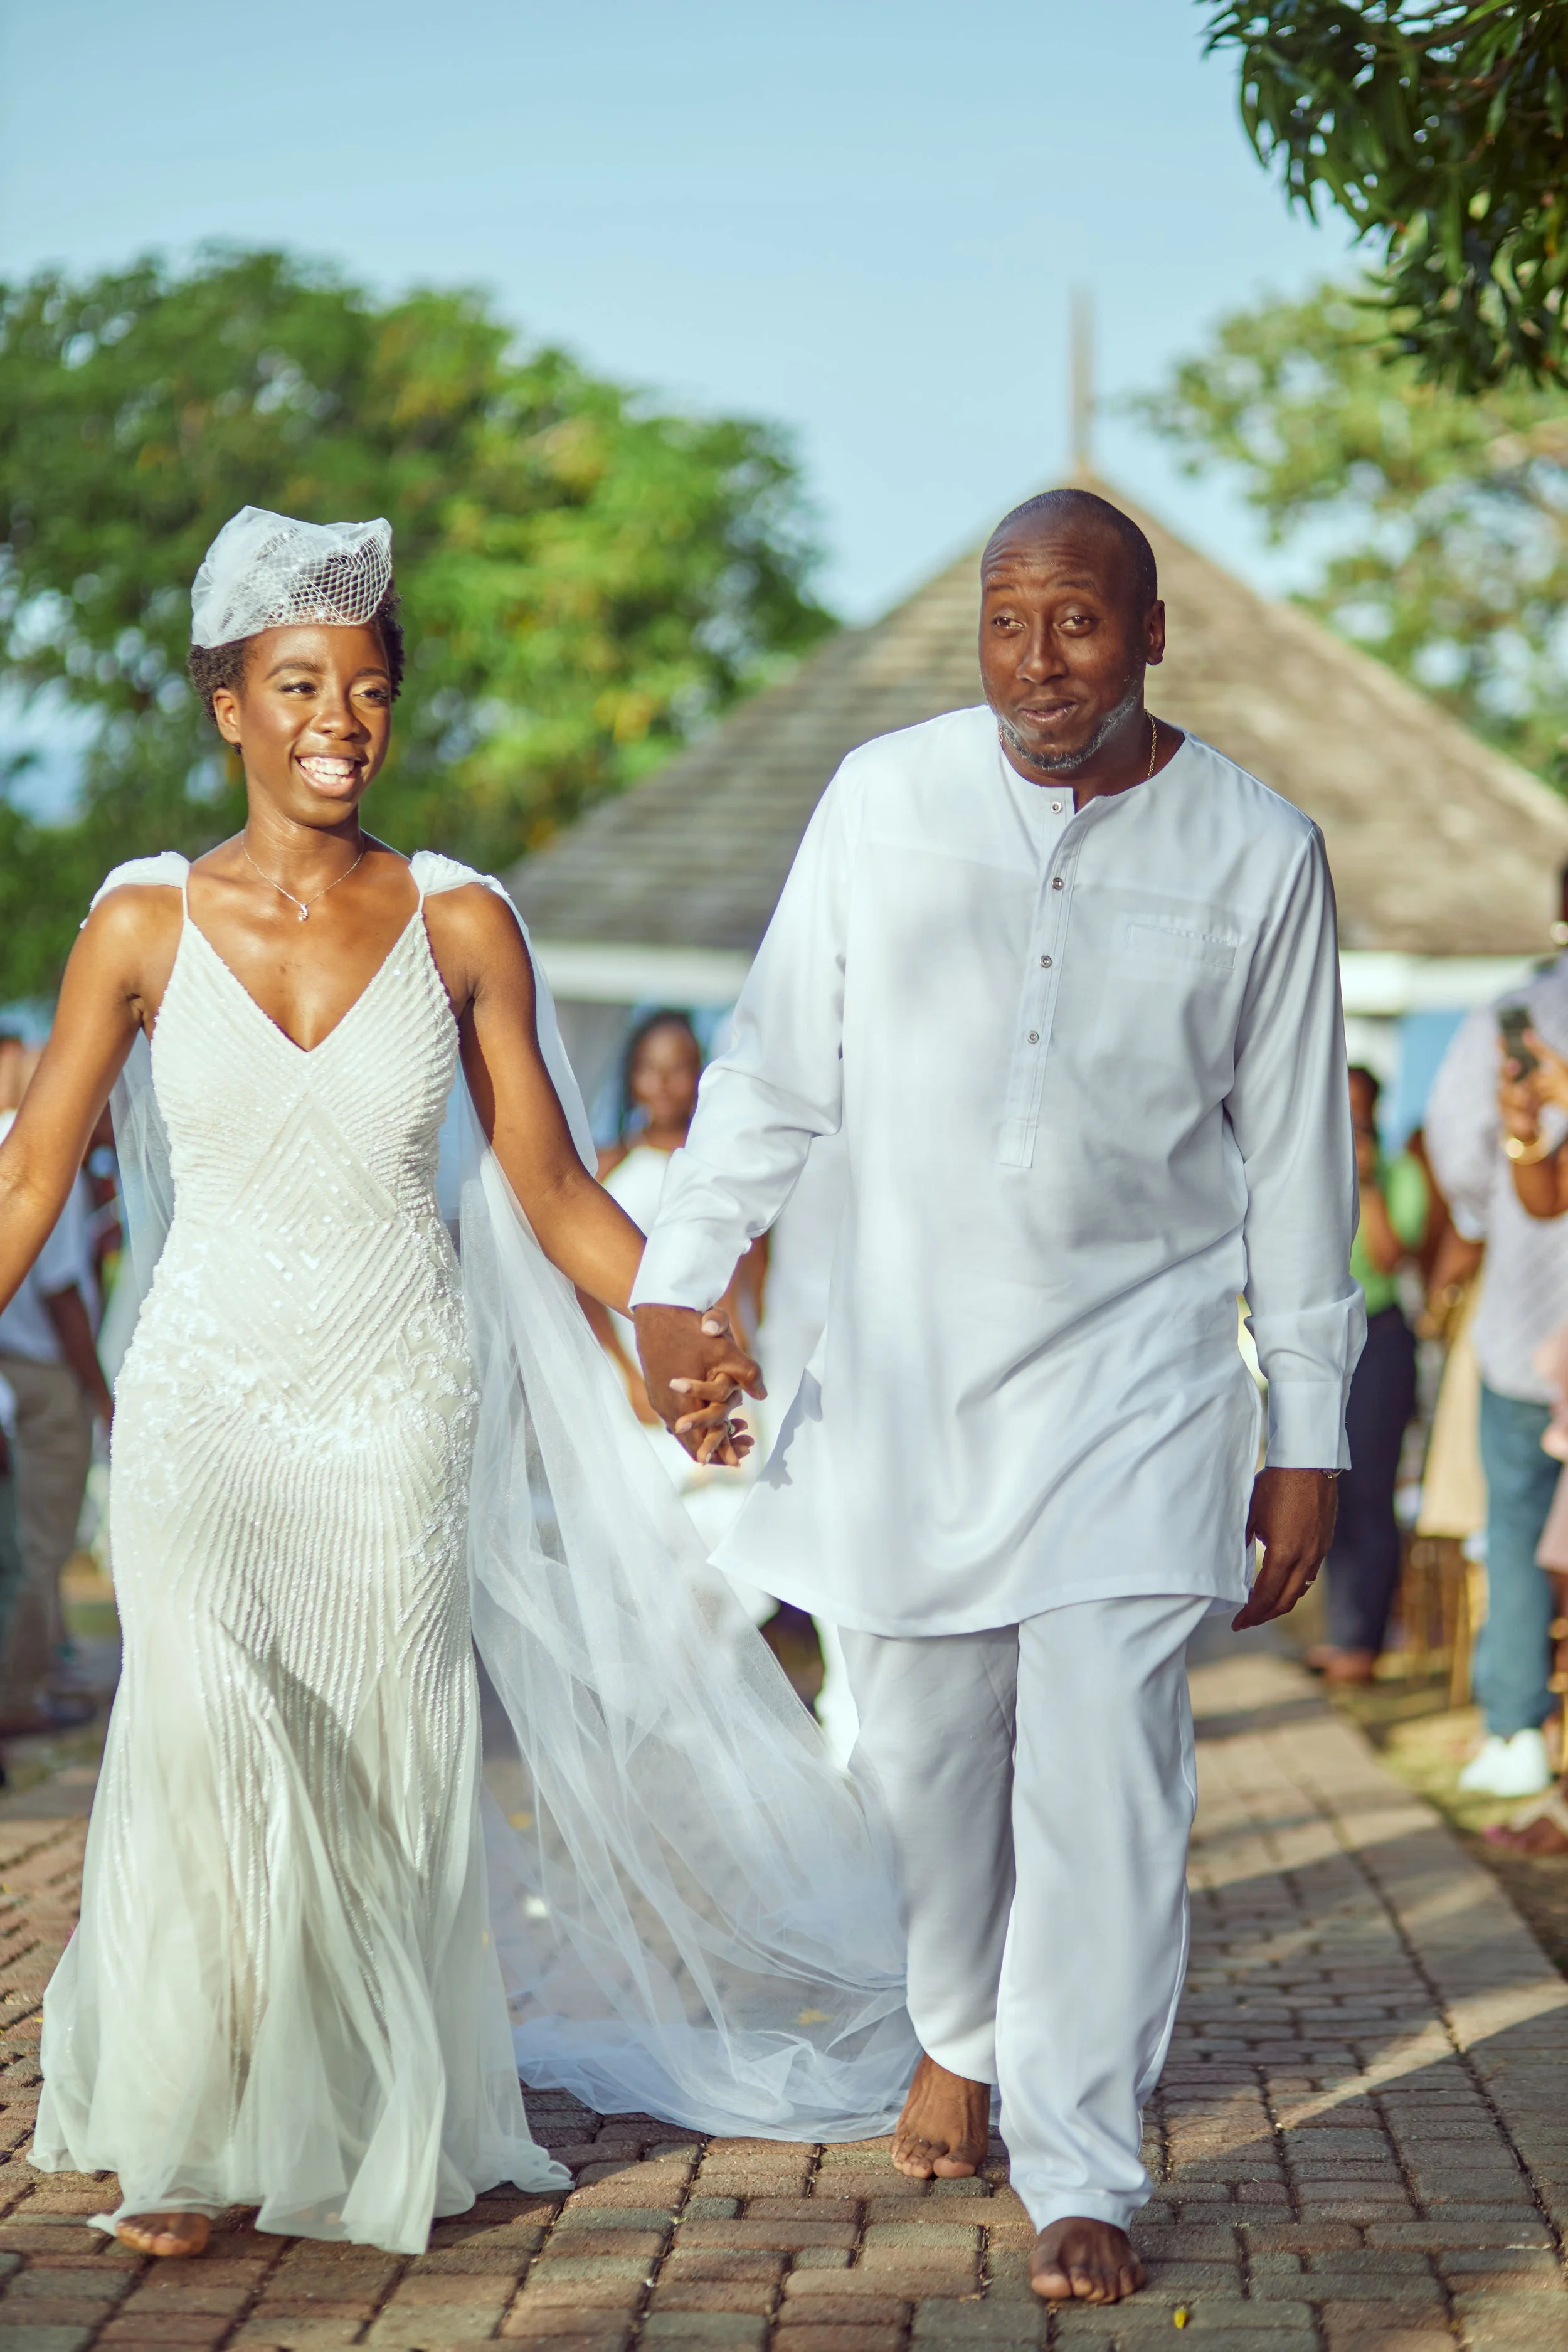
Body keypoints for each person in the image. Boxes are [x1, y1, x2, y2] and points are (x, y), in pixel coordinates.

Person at [0, 508, 914, 2264]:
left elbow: (556, 1190)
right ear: (228, 709)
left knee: (377, 1752)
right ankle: (192, 2132)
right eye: (296, 684)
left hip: (394, 1397)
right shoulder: (136, 921)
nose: (338, 715)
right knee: (202, 1741)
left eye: (365, 686)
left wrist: (672, 1327)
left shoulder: (461, 919)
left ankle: (367, 2108)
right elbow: (34, 1180)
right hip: (203, 1398)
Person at [632, 487, 1360, 2307]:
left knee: (1108, 1774)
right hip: (901, 1387)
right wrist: (673, 1275)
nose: (1040, 665)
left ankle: (1085, 2155)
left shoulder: (1260, 852)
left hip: (1140, 1383)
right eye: (1006, 624)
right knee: (928, 1768)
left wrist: (1310, 1427)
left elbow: (1292, 1169)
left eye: (1079, 624)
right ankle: (958, 2018)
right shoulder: (883, 801)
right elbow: (776, 1068)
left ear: (1153, 630)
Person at [1426, 893, 1568, 1800]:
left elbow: (1466, 1163)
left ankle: (1516, 1729)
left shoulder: (1512, 1018)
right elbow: (1538, 1183)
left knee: (1515, 1531)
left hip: (1528, 1316)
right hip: (1545, 1332)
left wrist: (1493, 1186)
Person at [1305, 1066, 1427, 1683]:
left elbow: (1388, 1255)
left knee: (1370, 1494)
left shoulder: (1400, 1175)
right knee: (1326, 1487)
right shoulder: (1306, 1162)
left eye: (1358, 1111)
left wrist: (1370, 1179)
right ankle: (1340, 1632)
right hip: (1321, 1337)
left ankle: (1364, 1642)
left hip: (1377, 1335)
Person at [0, 1095, 113, 1735]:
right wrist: (99, 1392)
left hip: (11, 1365)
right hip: (43, 1373)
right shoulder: (54, 1146)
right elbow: (61, 1288)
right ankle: (18, 1693)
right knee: (39, 1546)